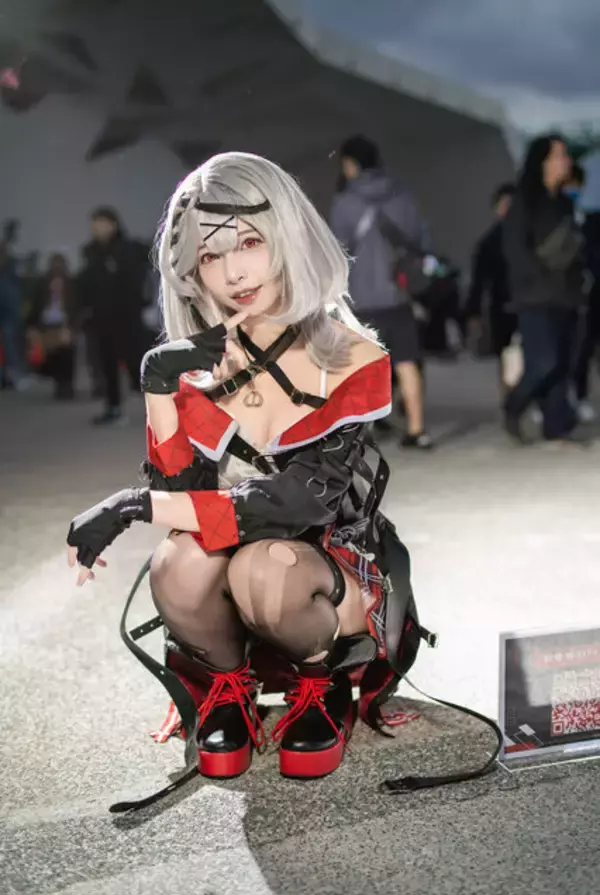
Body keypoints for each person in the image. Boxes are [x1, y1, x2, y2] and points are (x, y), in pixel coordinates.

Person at [64, 152, 441, 795]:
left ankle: (321, 683)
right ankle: (228, 686)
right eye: (210, 255)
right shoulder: (195, 365)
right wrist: (160, 382)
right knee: (177, 563)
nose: (234, 271)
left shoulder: (351, 357)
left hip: (328, 572)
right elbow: (181, 494)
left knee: (266, 566)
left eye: (249, 242)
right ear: (190, 271)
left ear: (288, 235)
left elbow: (294, 504)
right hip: (239, 560)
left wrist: (133, 505)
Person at [330, 135, 433, 450]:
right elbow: (420, 239)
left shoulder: (346, 202)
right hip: (399, 295)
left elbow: (336, 251)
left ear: (351, 164)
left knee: (359, 366)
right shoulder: (402, 197)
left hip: (361, 298)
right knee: (407, 361)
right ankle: (417, 430)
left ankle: (360, 434)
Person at [502, 134, 587, 445]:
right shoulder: (524, 201)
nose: (566, 161)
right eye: (559, 155)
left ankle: (557, 427)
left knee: (563, 364)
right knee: (543, 362)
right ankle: (513, 406)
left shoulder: (565, 203)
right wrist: (540, 278)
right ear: (542, 162)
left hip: (567, 296)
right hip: (534, 297)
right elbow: (515, 250)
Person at [77, 207, 150, 425]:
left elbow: (135, 283)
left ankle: (158, 407)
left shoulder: (128, 250)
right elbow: (87, 283)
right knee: (107, 365)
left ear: (112, 224)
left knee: (135, 365)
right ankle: (113, 408)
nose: (96, 229)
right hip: (101, 319)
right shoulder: (91, 252)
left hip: (127, 318)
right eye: (94, 225)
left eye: (100, 224)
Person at [465, 184, 517, 395]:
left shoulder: (531, 237)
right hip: (502, 305)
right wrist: (474, 311)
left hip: (528, 302)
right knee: (505, 353)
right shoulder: (489, 242)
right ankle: (510, 398)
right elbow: (479, 280)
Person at [566, 162, 598, 421]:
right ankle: (571, 397)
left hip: (592, 296)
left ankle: (580, 395)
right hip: (563, 295)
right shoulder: (552, 217)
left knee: (586, 347)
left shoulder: (592, 221)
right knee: (574, 349)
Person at [27, 253, 79, 400]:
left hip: (64, 325)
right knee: (47, 349)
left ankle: (66, 384)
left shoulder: (72, 287)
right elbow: (33, 311)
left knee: (66, 346)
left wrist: (72, 328)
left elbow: (77, 311)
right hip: (46, 326)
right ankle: (56, 379)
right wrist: (32, 328)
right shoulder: (42, 287)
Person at [0, 219, 28, 390]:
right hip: (9, 308)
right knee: (10, 342)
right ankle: (9, 376)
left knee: (12, 342)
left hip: (11, 309)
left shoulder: (12, 264)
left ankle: (15, 375)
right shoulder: (9, 262)